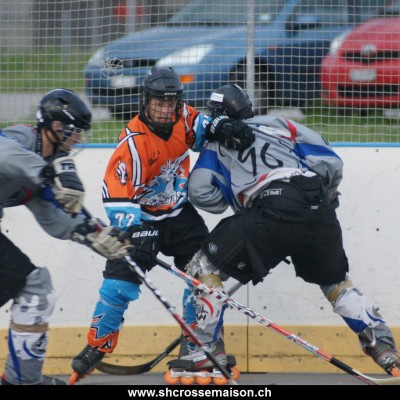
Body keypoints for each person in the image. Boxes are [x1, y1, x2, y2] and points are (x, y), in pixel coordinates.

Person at [180, 83, 400, 376]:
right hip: (317, 203)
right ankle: (383, 346)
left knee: (202, 266)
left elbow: (200, 192)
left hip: (271, 209)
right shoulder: (279, 124)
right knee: (336, 284)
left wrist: (240, 199)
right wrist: (322, 196)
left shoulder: (214, 146)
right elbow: (331, 162)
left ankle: (206, 349)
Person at [70, 67, 255, 380]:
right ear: (146, 101)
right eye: (159, 102)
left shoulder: (183, 117)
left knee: (203, 275)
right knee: (117, 286)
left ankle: (197, 344)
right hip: (141, 218)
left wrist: (222, 126)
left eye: (170, 102)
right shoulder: (134, 142)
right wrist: (133, 229)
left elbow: (202, 125)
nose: (165, 109)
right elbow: (115, 194)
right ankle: (98, 345)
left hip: (179, 214)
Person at [0, 88, 132, 385]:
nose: (79, 140)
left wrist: (90, 233)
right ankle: (22, 381)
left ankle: (22, 379)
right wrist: (47, 174)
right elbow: (3, 153)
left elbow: (52, 218)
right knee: (35, 286)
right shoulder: (23, 139)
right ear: (57, 126)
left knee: (36, 287)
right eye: (76, 132)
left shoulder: (46, 165)